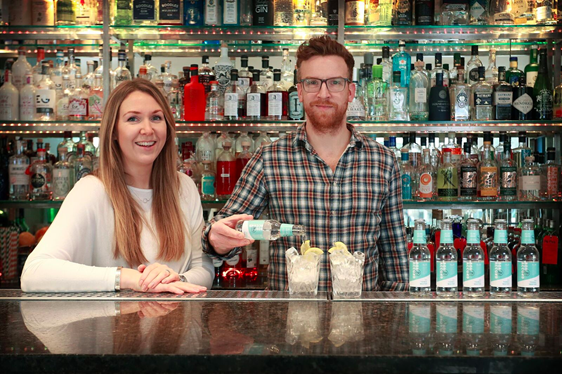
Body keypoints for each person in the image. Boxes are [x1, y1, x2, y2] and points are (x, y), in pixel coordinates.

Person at [201, 36, 409, 292]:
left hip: (361, 319)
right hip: (288, 320)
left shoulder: (383, 161)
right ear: (299, 91)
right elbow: (225, 225)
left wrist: (394, 315)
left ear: (351, 91)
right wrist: (216, 238)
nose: (324, 93)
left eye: (335, 82)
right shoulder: (269, 159)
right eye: (312, 83)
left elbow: (394, 256)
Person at [21, 79, 213, 293]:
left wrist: (176, 279)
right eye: (133, 119)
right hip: (112, 324)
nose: (147, 129)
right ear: (113, 131)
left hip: (175, 324)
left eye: (156, 118)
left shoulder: (183, 187)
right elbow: (34, 273)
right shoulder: (92, 190)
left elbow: (203, 268)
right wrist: (127, 278)